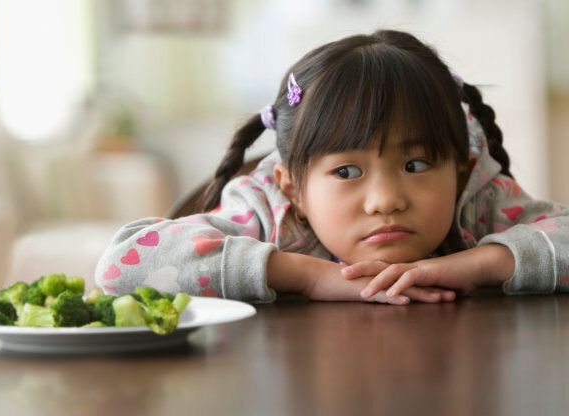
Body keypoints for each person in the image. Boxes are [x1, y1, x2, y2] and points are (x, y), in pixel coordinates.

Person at [95, 29, 568, 304]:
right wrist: (308, 276)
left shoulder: (477, 198)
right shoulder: (268, 212)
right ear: (294, 188)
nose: (386, 200)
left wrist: (482, 263)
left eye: (417, 163)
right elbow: (120, 267)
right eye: (346, 172)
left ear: (461, 172)